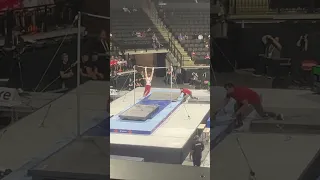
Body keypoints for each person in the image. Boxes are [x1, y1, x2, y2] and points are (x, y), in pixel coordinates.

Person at [220, 83, 284, 128]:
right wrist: (220, 108)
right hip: (245, 99)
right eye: (226, 89)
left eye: (227, 89)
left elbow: (245, 105)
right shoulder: (230, 92)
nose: (227, 91)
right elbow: (226, 100)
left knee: (262, 114)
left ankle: (277, 115)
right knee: (236, 107)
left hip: (254, 99)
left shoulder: (239, 93)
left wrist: (236, 113)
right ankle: (239, 123)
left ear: (232, 88)